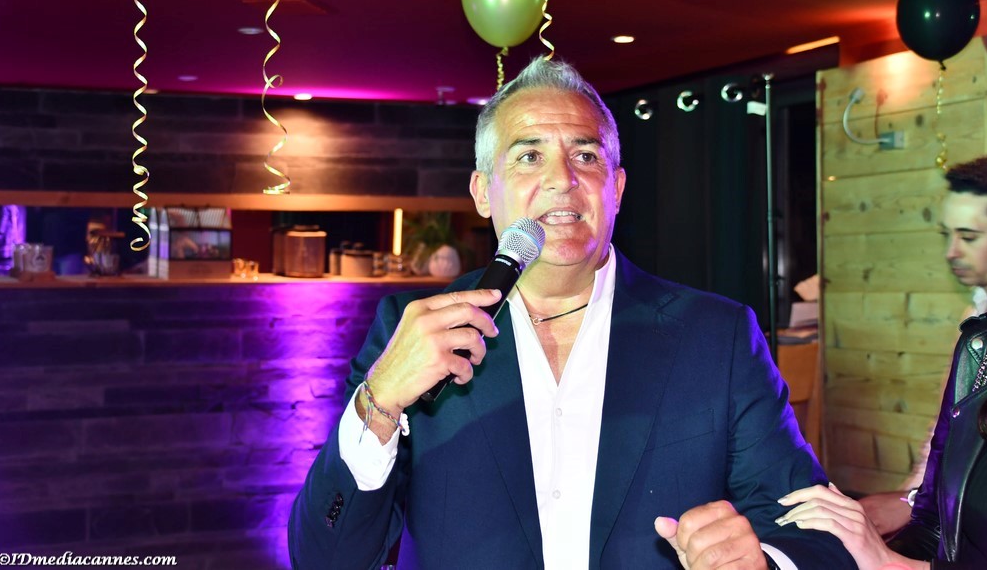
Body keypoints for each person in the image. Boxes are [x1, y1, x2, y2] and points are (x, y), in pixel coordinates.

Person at [288, 57, 854, 569]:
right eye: (529, 156)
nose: (563, 179)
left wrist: (764, 562)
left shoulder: (716, 338)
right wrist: (379, 401)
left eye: (586, 155)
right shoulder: (412, 331)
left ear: (617, 188)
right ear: (483, 192)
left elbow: (815, 530)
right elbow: (326, 558)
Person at [773, 213, 987, 568]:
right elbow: (935, 528)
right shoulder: (984, 349)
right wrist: (860, 550)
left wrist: (888, 562)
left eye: (969, 235)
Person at [859, 155, 987, 536]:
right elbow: (947, 436)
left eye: (969, 236)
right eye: (947, 235)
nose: (951, 251)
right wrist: (912, 500)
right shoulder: (976, 316)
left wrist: (911, 506)